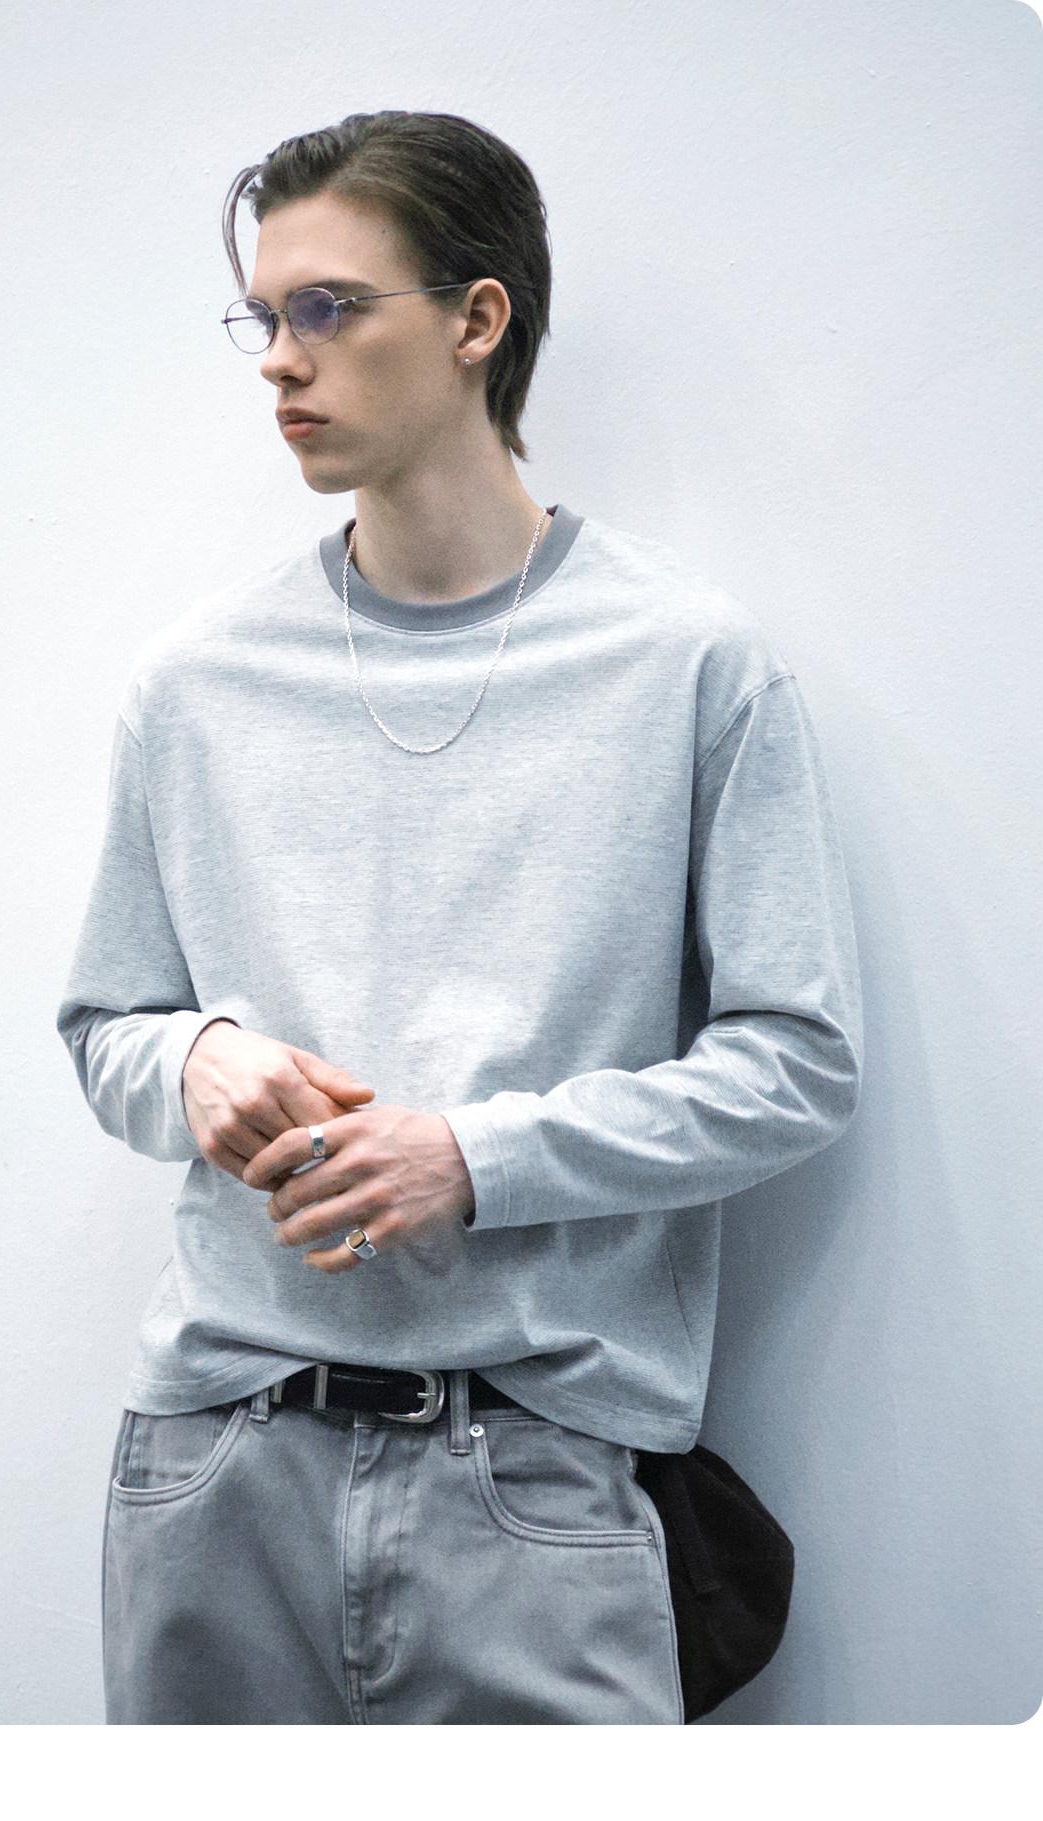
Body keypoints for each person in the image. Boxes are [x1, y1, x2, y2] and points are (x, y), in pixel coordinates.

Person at [57, 109, 862, 1726]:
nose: (281, 361)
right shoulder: (196, 680)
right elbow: (106, 1027)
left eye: (329, 308)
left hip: (541, 1480)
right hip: (216, 1467)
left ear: (478, 319)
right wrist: (196, 1060)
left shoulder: (686, 663)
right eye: (263, 317)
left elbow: (797, 1065)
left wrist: (475, 1159)